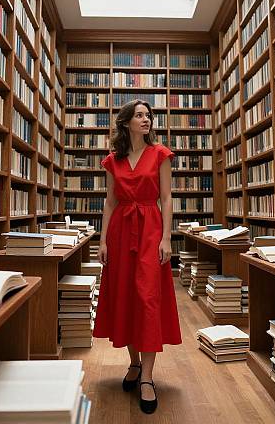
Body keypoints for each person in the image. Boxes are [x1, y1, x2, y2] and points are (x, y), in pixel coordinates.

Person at [92, 99, 182, 414]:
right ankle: (133, 363)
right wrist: (102, 240)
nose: (146, 119)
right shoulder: (112, 161)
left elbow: (168, 198)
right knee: (127, 297)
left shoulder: (161, 155)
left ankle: (147, 377)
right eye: (140, 115)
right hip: (120, 233)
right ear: (127, 122)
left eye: (148, 115)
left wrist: (167, 237)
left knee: (148, 298)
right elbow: (109, 203)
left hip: (150, 230)